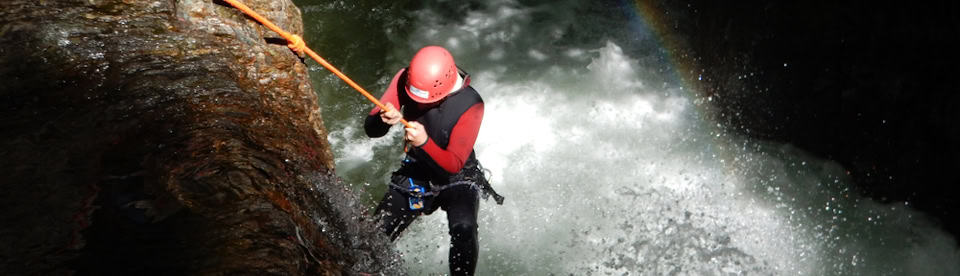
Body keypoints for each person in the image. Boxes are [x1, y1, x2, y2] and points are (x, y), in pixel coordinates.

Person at [364, 45, 502, 275]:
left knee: (464, 229)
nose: (420, 105)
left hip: (458, 175)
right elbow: (371, 130)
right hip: (416, 171)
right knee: (372, 239)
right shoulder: (404, 79)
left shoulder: (471, 103)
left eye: (427, 101)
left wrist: (424, 142)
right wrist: (383, 118)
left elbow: (452, 165)